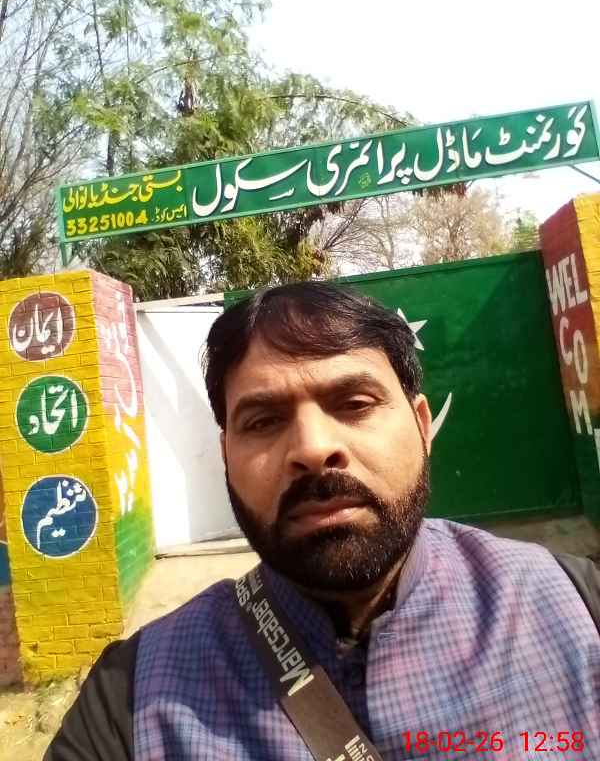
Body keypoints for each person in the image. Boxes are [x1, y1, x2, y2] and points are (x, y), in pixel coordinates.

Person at [45, 281, 600, 760]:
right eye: (263, 421)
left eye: (355, 404)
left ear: (422, 424)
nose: (312, 448)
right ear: (226, 458)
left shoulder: (579, 606)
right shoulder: (129, 701)